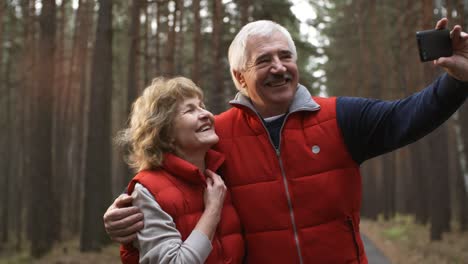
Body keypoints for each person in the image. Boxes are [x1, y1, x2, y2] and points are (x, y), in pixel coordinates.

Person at [104, 18, 468, 263]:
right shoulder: (214, 135)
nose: (279, 67)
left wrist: (457, 81)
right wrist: (123, 220)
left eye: (285, 56)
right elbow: (165, 176)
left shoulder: (340, 117)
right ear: (239, 77)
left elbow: (409, 116)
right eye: (264, 60)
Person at [115, 76, 244, 264]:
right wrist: (213, 210)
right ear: (165, 132)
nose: (206, 114)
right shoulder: (147, 191)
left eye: (202, 106)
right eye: (190, 110)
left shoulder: (219, 175)